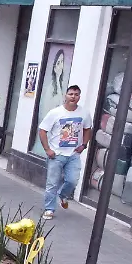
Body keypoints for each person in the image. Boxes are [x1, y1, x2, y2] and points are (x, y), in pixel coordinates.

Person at [37, 85, 91, 220]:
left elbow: (87, 129)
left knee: (72, 181)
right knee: (52, 183)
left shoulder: (84, 113)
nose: (73, 97)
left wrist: (84, 145)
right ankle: (49, 209)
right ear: (65, 96)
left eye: (76, 94)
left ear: (79, 96)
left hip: (73, 155)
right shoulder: (55, 112)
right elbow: (42, 130)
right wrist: (47, 149)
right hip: (56, 154)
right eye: (71, 94)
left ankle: (63, 195)